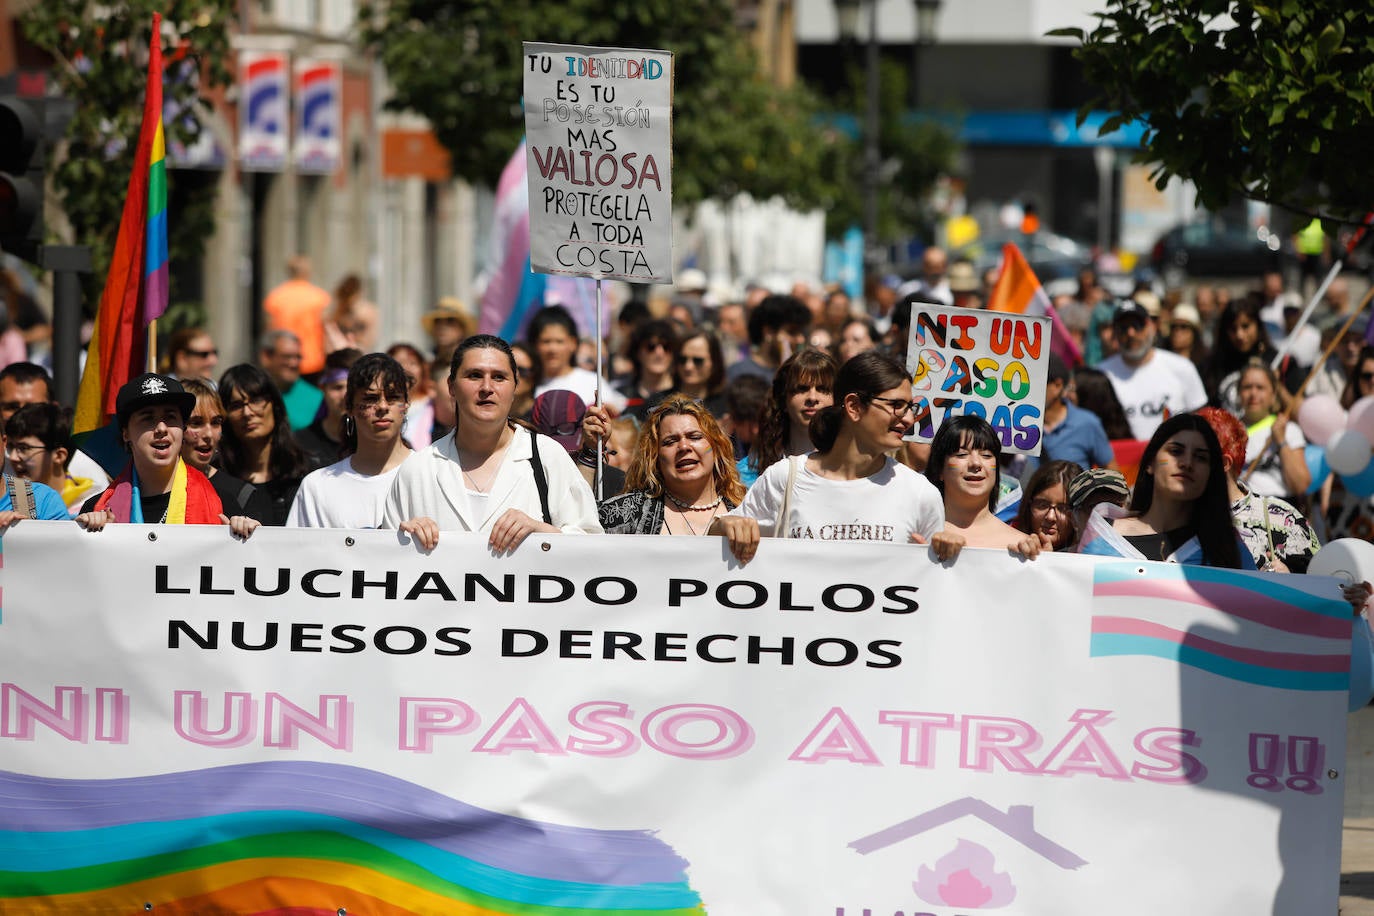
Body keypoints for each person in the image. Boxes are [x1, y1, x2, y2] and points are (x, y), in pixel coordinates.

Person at [712, 350, 946, 562]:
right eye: (896, 405)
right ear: (853, 406)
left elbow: (936, 589)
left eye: (910, 408)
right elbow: (708, 550)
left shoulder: (920, 493)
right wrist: (725, 527)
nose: (908, 419)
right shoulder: (784, 478)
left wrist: (944, 556)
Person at [382, 334, 602, 550]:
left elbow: (591, 547)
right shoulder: (418, 469)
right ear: (451, 386)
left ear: (514, 387)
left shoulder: (547, 457)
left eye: (499, 377)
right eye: (474, 375)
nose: (487, 387)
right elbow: (383, 561)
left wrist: (541, 532)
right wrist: (404, 542)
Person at [75, 373, 257, 538]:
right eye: (147, 418)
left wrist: (248, 537)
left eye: (170, 417)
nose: (161, 428)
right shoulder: (96, 508)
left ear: (182, 428)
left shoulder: (222, 504)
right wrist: (90, 535)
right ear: (126, 433)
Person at [1076, 412, 1247, 567]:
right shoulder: (1101, 538)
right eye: (1176, 451)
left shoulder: (1228, 547)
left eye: (1201, 457)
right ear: (1150, 463)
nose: (1187, 463)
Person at [288, 354, 413, 529]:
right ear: (349, 407)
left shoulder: (433, 477)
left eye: (393, 397)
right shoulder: (317, 488)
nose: (383, 407)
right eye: (370, 398)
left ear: (406, 404)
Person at [598, 396, 746, 535]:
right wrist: (591, 452)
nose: (683, 447)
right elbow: (581, 528)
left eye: (694, 437)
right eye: (670, 442)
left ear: (716, 447)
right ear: (655, 457)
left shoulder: (748, 509)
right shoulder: (630, 512)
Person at [1199, 407, 1319, 574]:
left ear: (1224, 463)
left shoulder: (1281, 517)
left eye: (1198, 455)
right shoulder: (1172, 514)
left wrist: (1289, 576)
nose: (1185, 463)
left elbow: (1319, 583)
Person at [925, 415, 1048, 554]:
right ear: (939, 468)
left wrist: (1043, 562)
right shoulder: (917, 536)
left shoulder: (1023, 547)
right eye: (961, 454)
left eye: (987, 455)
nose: (976, 464)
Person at [1098, 299, 1208, 441]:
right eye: (1123, 327)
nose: (1130, 333)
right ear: (1115, 333)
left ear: (1151, 327)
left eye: (1137, 326)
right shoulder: (1101, 375)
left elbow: (1201, 420)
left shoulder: (1182, 368)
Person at [217, 364, 311, 526]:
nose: (248, 413)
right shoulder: (217, 480)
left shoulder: (308, 473)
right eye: (236, 406)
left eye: (256, 400)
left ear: (274, 405)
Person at [739, 349, 836, 488]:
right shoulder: (748, 473)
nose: (812, 398)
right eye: (801, 389)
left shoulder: (851, 465)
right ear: (783, 398)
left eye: (822, 389)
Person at [178, 378, 272, 521]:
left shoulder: (241, 495)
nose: (209, 434)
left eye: (216, 422)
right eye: (196, 423)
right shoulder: (147, 486)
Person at [1204, 295, 1301, 411]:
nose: (1239, 335)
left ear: (1258, 326)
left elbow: (1298, 412)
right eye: (1233, 329)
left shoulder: (1281, 362)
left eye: (1245, 326)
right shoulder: (1213, 366)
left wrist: (1276, 384)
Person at [1232, 358, 1309, 501]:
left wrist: (1281, 441)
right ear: (1238, 393)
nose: (1253, 393)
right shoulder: (1228, 431)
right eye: (1247, 387)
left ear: (1273, 395)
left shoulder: (1289, 429)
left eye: (1260, 387)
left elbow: (1300, 485)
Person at [528, 304, 626, 412]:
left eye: (559, 341)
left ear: (573, 343)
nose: (553, 349)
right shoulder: (527, 386)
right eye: (546, 341)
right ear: (535, 345)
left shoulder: (593, 382)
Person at [3, 403, 95, 515]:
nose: (13, 457)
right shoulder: (4, 499)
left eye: (24, 448)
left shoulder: (90, 507)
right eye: (10, 446)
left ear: (59, 455)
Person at [1041, 355, 1114, 469]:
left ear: (1057, 386)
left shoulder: (1087, 423)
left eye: (1034, 383)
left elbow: (1113, 476)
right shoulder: (1014, 425)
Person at [295, 348, 362, 470]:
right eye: (337, 387)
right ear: (322, 388)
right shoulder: (300, 443)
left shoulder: (375, 442)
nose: (345, 395)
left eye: (352, 387)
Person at [263, 254, 330, 376]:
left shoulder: (275, 296)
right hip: (312, 360)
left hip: (282, 359)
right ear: (307, 271)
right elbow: (325, 328)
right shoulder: (319, 297)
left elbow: (269, 330)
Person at [640, 329, 728, 419]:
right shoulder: (657, 403)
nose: (688, 366)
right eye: (682, 359)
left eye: (698, 360)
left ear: (714, 363)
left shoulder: (728, 405)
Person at [725, 293, 812, 383]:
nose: (800, 339)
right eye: (792, 332)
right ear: (768, 331)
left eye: (802, 332)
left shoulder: (802, 374)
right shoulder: (738, 374)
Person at [1013, 459, 1085, 552]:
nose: (1050, 517)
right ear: (1028, 504)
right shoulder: (1008, 542)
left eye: (1062, 508)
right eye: (1042, 505)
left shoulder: (1092, 555)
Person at [258, 329, 321, 431]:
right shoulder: (250, 393)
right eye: (286, 357)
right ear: (266, 357)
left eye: (298, 357)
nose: (294, 363)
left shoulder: (317, 399)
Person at [616, 318, 679, 417]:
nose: (659, 353)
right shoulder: (620, 396)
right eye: (651, 346)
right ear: (638, 352)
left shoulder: (682, 396)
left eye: (666, 347)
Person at [325, 273, 379, 352]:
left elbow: (369, 339)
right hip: (340, 354)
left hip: (359, 353)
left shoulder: (368, 312)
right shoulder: (336, 313)